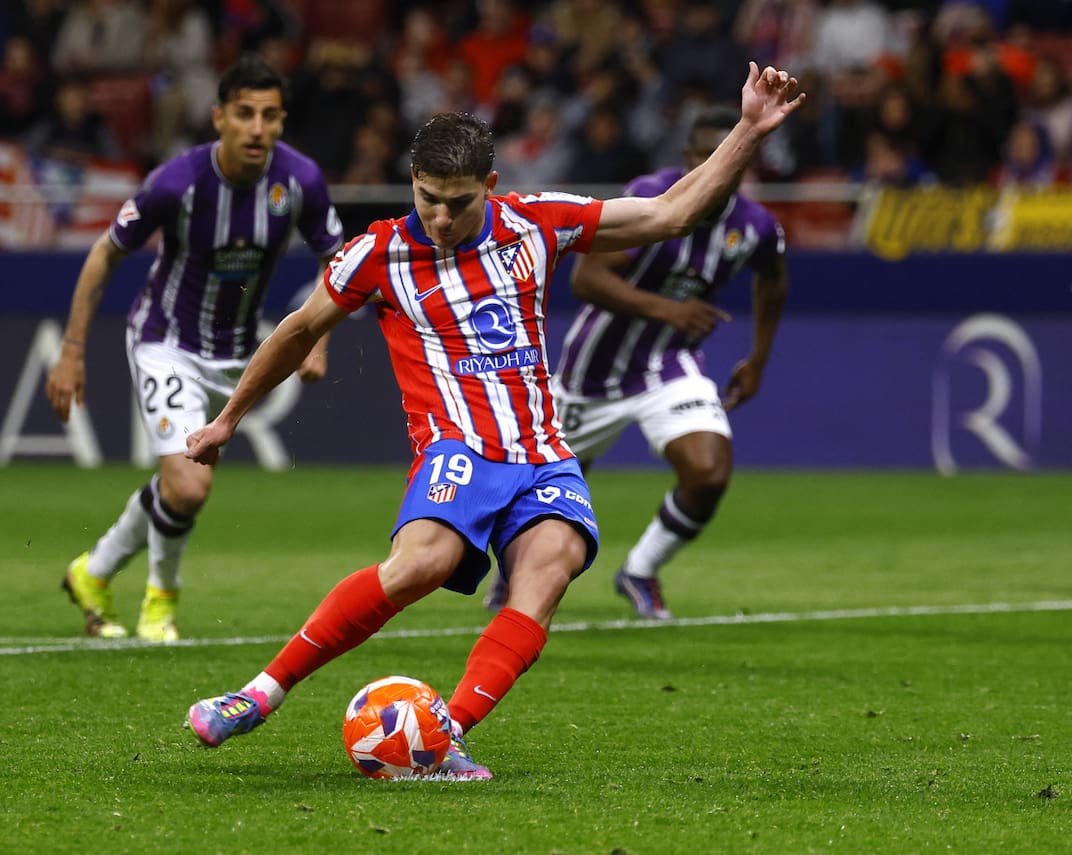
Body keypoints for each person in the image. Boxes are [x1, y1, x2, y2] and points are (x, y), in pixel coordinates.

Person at [182, 63, 803, 779]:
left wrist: (750, 128)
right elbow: (295, 331)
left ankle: (444, 734)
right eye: (427, 199)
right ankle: (258, 693)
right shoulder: (380, 252)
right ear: (411, 181)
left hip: (542, 450)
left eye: (458, 202)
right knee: (423, 564)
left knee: (551, 568)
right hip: (459, 447)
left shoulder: (536, 223)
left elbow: (670, 213)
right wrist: (229, 417)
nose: (440, 217)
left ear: (492, 187)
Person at [45, 55, 345, 642]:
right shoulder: (176, 183)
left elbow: (337, 259)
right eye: (244, 114)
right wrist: (72, 349)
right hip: (167, 342)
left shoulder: (300, 181)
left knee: (176, 486)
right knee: (189, 484)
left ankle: (94, 571)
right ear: (219, 118)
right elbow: (105, 254)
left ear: (282, 122)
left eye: (270, 116)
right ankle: (161, 604)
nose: (258, 128)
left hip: (239, 353)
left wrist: (319, 337)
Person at [485, 106, 789, 620]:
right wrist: (671, 310)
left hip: (669, 364)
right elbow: (587, 279)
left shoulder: (755, 226)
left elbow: (774, 278)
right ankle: (512, 571)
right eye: (713, 155)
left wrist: (758, 358)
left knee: (709, 472)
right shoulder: (650, 194)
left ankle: (641, 571)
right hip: (592, 373)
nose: (727, 168)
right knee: (543, 488)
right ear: (691, 158)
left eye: (738, 157)